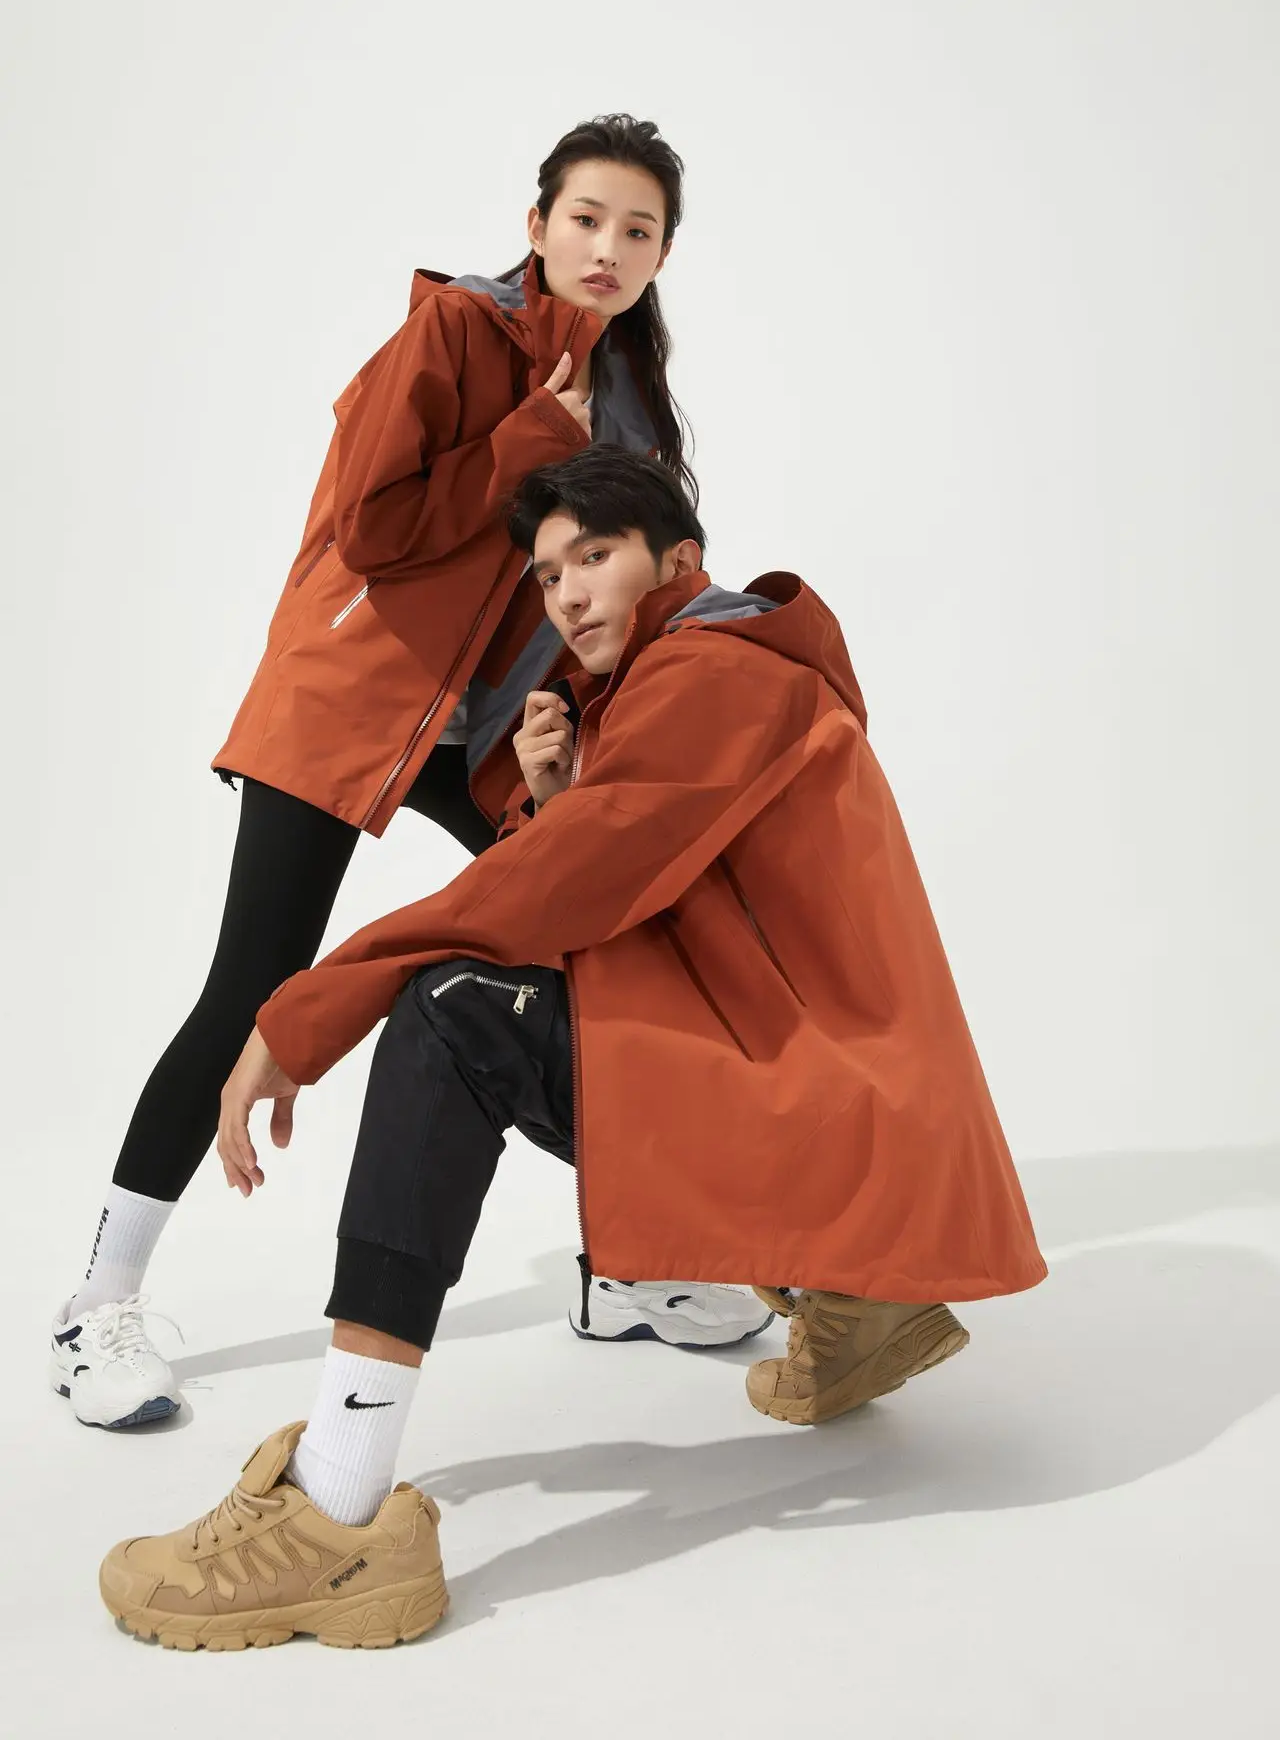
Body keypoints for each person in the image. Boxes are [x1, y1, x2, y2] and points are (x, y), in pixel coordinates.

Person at [99, 446, 1047, 1651]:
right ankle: (858, 1297)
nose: (566, 596)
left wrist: (306, 1011)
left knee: (449, 1009)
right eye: (547, 576)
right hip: (840, 1113)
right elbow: (608, 922)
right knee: (484, 1000)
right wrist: (555, 801)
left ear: (678, 559)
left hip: (837, 1116)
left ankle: (338, 1509)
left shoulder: (717, 673)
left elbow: (556, 899)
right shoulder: (686, 680)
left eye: (594, 557)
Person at [49, 114, 772, 1438]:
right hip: (351, 700)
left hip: (492, 737)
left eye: (638, 231)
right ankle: (96, 1305)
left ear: (664, 254)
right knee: (254, 984)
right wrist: (525, 443)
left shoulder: (628, 386)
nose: (607, 248)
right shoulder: (454, 333)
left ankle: (625, 1266)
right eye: (586, 219)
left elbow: (614, 581)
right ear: (537, 222)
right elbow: (373, 529)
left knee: (609, 954)